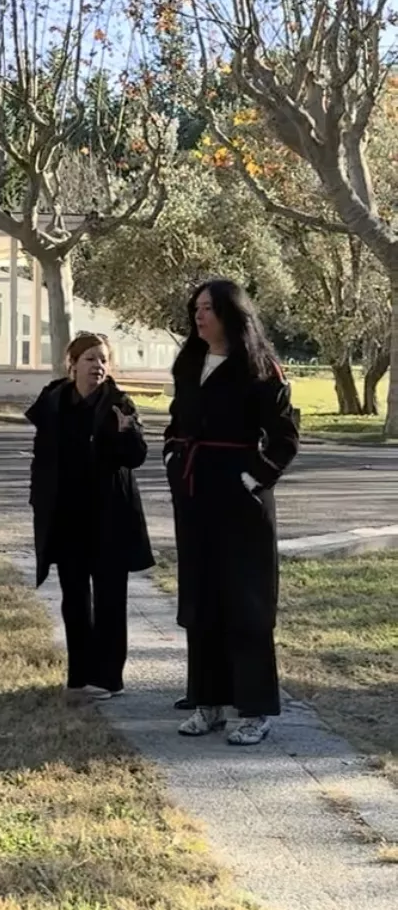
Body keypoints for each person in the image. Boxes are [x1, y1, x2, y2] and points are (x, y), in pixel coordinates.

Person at [165, 279, 299, 747]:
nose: (199, 315)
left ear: (230, 314)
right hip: (195, 494)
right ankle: (208, 703)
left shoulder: (260, 369)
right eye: (195, 307)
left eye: (208, 308)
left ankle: (255, 710)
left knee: (247, 602)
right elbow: (176, 420)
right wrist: (171, 457)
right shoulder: (188, 362)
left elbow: (285, 438)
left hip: (241, 500)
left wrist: (254, 477)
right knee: (201, 599)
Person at [25, 332, 153, 701]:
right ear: (73, 363)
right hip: (67, 517)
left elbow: (137, 457)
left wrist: (128, 433)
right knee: (74, 598)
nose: (98, 366)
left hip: (109, 517)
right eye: (91, 359)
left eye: (103, 360)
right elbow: (42, 457)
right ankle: (79, 676)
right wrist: (39, 499)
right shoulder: (53, 402)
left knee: (111, 598)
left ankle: (108, 678)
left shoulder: (119, 404)